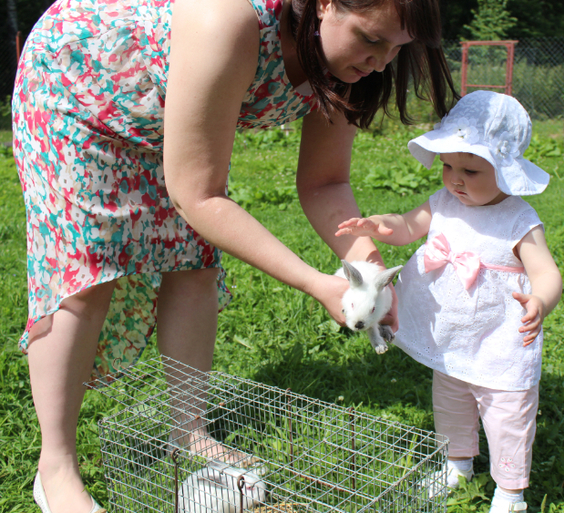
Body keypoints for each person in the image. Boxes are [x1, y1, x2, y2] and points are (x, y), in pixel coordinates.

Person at [12, 0, 456, 510]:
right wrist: (315, 282)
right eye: (371, 39)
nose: (380, 62)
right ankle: (56, 468)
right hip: (78, 87)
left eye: (397, 49)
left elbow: (325, 182)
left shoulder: (349, 67)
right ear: (326, 4)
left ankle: (189, 432)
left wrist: (369, 272)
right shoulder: (228, 18)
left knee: (192, 258)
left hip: (165, 118)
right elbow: (197, 194)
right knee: (86, 272)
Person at [335, 90, 563, 513]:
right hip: (453, 335)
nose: (456, 179)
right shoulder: (444, 202)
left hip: (500, 341)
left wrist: (541, 300)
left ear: (505, 170)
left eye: (472, 171)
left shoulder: (519, 219)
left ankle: (510, 492)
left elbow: (547, 272)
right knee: (451, 401)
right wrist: (376, 225)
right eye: (447, 166)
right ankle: (458, 464)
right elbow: (406, 226)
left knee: (507, 415)